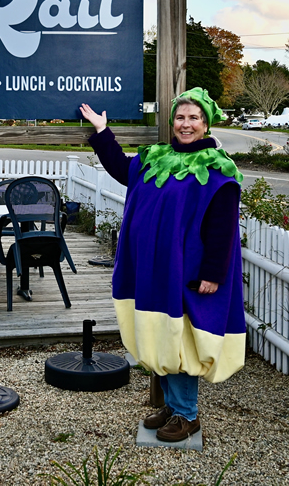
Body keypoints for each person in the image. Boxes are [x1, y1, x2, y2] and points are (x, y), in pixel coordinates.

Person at [80, 87, 245, 442]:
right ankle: (172, 406)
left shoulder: (217, 171)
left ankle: (188, 415)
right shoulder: (156, 158)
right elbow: (123, 170)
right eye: (180, 118)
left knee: (181, 339)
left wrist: (213, 274)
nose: (186, 125)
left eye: (194, 118)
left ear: (206, 124)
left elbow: (222, 228)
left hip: (187, 272)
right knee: (162, 335)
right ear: (172, 122)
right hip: (154, 269)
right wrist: (101, 130)